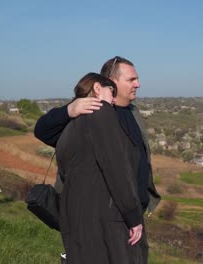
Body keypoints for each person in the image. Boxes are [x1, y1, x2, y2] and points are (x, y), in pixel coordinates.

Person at [56, 72, 146, 263]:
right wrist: (133, 216)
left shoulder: (70, 127)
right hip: (104, 219)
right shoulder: (102, 112)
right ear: (97, 89)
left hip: (74, 215)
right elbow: (116, 168)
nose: (114, 100)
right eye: (111, 92)